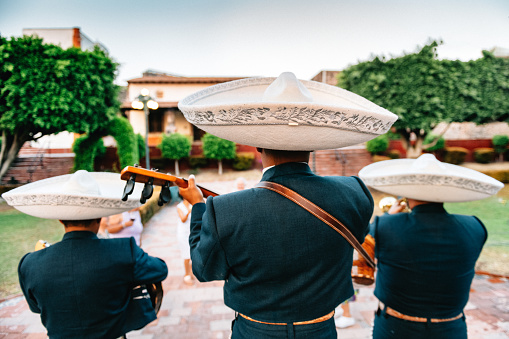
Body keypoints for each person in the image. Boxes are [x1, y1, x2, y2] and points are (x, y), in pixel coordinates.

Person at [177, 72, 398, 338]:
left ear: (258, 146)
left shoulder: (223, 209)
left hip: (256, 331)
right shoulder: (355, 193)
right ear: (313, 146)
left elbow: (203, 269)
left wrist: (199, 208)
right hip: (321, 329)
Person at [3, 170, 168, 339]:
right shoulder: (123, 251)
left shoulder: (29, 264)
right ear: (100, 217)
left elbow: (36, 307)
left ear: (60, 219)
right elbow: (161, 270)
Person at [359, 154, 504, 339]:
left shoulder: (384, 225)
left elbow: (364, 253)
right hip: (451, 328)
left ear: (407, 190)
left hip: (396, 328)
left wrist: (388, 217)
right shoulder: (475, 226)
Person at [176, 197, 194, 285]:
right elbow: (183, 219)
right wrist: (189, 212)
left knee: (192, 254)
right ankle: (186, 276)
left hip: (191, 232)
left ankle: (190, 272)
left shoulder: (192, 205)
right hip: (183, 233)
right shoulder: (179, 206)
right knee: (186, 255)